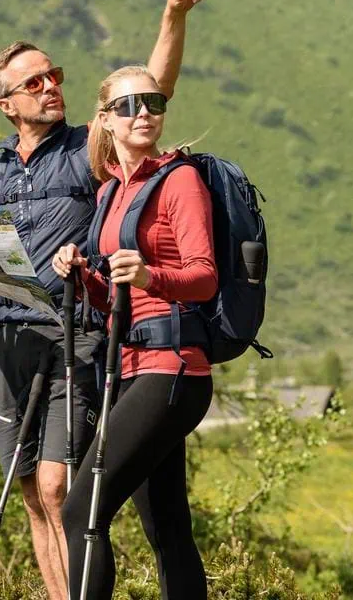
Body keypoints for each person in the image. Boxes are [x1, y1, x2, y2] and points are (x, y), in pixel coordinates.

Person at [0, 0, 205, 598]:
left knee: (60, 488)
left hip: (75, 335)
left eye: (54, 76)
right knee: (30, 492)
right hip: (8, 341)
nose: (51, 86)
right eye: (34, 83)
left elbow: (145, 95)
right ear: (7, 104)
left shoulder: (88, 148)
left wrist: (173, 15)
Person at [53, 64, 218, 600]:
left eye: (153, 102)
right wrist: (85, 275)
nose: (143, 112)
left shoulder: (180, 180)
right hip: (129, 366)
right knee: (166, 526)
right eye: (127, 105)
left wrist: (150, 275)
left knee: (81, 511)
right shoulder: (109, 193)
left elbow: (204, 278)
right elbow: (114, 300)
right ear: (105, 118)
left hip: (173, 368)